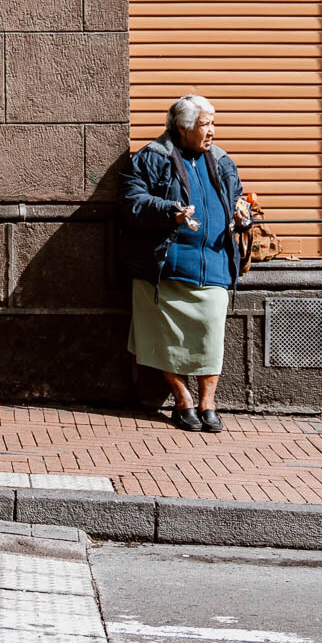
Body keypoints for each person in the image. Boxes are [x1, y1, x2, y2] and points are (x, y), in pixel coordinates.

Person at [118, 94, 251, 432]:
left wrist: (241, 214)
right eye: (206, 125)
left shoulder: (221, 161)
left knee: (211, 333)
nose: (213, 132)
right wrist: (169, 212)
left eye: (213, 124)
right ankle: (183, 399)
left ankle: (208, 401)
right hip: (165, 268)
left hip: (214, 265)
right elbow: (132, 201)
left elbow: (237, 198)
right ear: (182, 127)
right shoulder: (152, 158)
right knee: (164, 338)